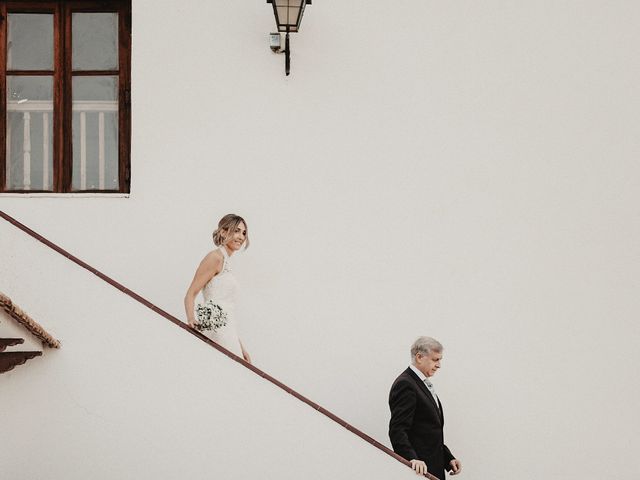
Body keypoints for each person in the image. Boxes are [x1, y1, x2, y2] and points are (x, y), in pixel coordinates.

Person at [388, 336, 462, 479]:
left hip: (433, 470)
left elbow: (427, 431)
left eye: (440, 360)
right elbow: (398, 429)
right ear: (419, 357)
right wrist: (411, 459)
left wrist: (448, 458)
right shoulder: (406, 384)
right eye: (435, 360)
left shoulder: (421, 383)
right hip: (420, 472)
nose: (439, 365)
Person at [184, 214, 251, 363]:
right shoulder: (215, 258)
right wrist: (191, 320)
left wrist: (241, 347)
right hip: (217, 329)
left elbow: (227, 311)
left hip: (228, 331)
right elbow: (190, 293)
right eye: (236, 231)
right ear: (223, 232)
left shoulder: (228, 263)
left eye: (244, 233)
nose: (241, 236)